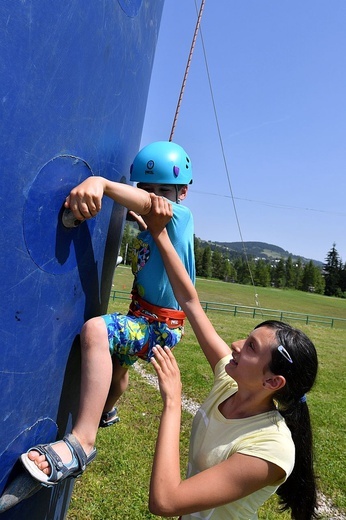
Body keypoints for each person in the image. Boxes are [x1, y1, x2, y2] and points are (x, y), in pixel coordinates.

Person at [20, 141, 195, 486]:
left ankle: (82, 443)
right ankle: (107, 410)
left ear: (183, 194)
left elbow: (149, 206)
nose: (154, 196)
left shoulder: (180, 216)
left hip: (159, 325)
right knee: (116, 369)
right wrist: (140, 218)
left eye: (164, 191)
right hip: (145, 315)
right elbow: (147, 213)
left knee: (98, 332)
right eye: (147, 188)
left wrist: (101, 183)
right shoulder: (156, 224)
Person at [144, 196, 319, 520]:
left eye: (251, 346)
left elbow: (165, 501)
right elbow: (190, 301)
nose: (236, 345)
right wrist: (159, 234)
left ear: (272, 381)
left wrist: (172, 402)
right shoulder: (231, 381)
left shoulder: (271, 447)